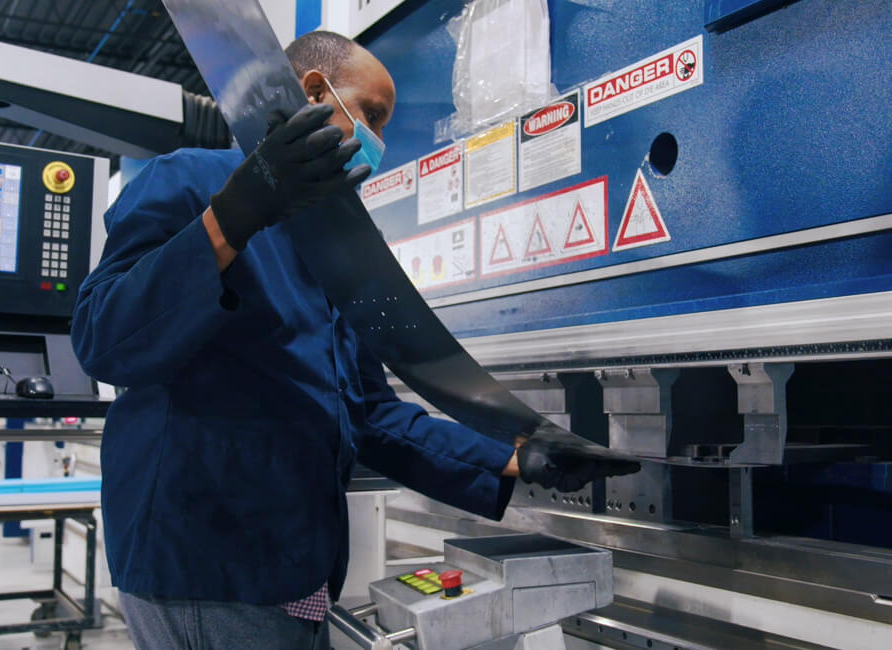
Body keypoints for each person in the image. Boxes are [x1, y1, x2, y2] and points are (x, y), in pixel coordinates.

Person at [71, 30, 638, 650]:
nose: (380, 142)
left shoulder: (337, 248)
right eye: (369, 114)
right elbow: (105, 336)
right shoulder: (188, 182)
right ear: (313, 92)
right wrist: (236, 213)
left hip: (292, 570)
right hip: (207, 565)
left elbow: (369, 414)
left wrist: (518, 456)